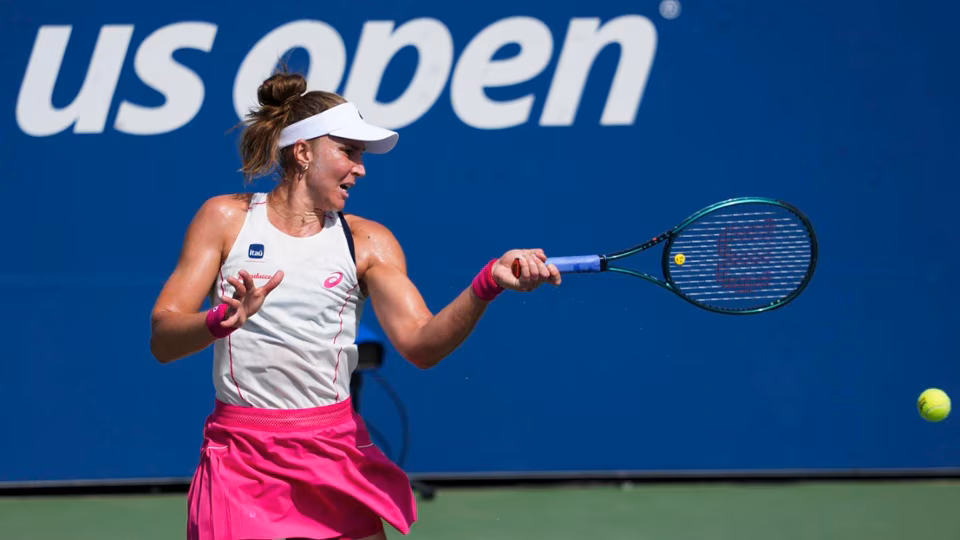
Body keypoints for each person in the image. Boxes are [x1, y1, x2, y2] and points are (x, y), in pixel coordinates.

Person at [149, 69, 561, 540]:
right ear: (302, 152)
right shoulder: (225, 219)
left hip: (334, 455)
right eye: (348, 151)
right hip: (241, 460)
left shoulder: (370, 242)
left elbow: (421, 345)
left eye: (361, 155)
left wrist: (487, 283)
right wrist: (219, 321)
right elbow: (163, 338)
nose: (360, 168)